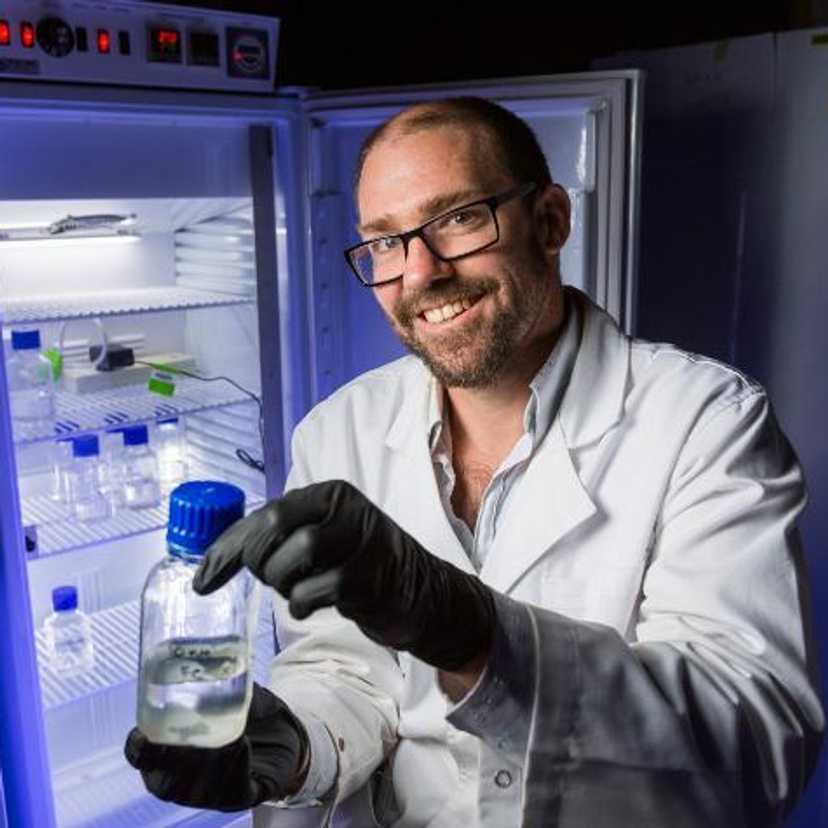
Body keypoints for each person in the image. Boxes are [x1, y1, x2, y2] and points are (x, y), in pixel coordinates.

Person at [125, 97, 824, 827]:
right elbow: (345, 675)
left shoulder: (705, 421)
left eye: (458, 218)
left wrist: (477, 636)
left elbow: (758, 749)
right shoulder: (339, 431)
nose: (419, 274)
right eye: (385, 242)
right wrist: (298, 748)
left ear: (549, 221)